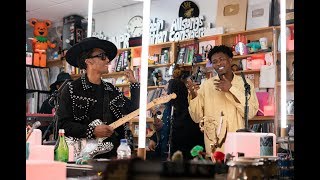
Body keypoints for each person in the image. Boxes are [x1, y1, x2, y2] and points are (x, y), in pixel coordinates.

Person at [57, 37, 140, 159]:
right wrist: (92, 131)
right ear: (88, 61)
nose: (107, 60)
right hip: (81, 158)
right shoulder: (71, 89)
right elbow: (63, 125)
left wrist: (134, 84)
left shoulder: (111, 90)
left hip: (110, 157)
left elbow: (132, 109)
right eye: (102, 56)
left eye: (106, 56)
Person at [188, 45, 259, 156]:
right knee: (217, 172)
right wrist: (193, 95)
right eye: (215, 61)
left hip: (237, 143)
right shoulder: (207, 85)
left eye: (222, 59)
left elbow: (250, 113)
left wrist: (231, 88)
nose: (219, 64)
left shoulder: (245, 84)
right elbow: (196, 117)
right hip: (215, 145)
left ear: (230, 60)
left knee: (237, 172)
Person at [148, 70, 205, 161]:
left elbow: (180, 134)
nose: (163, 94)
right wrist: (155, 137)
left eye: (166, 91)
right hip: (167, 157)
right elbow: (167, 127)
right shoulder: (169, 108)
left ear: (174, 92)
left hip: (183, 159)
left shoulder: (190, 112)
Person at [39, 72, 72, 141]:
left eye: (69, 85)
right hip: (53, 139)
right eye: (64, 85)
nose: (67, 88)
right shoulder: (48, 103)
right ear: (58, 86)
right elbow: (40, 124)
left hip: (70, 138)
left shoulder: (75, 102)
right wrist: (49, 134)